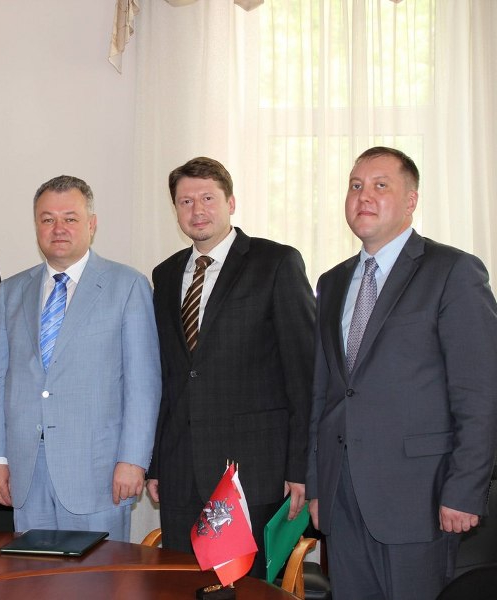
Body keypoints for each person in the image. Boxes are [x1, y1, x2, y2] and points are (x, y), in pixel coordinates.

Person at [306, 146, 497, 599]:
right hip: (342, 494)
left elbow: (480, 392)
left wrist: (465, 490)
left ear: (411, 200)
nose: (363, 196)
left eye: (380, 185)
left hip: (421, 497)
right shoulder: (332, 282)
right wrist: (316, 483)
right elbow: (324, 392)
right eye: (355, 186)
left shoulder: (452, 271)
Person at [147, 157, 315, 577]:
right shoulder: (165, 275)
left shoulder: (275, 263)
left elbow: (304, 373)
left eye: (208, 198)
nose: (197, 210)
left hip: (252, 471)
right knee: (182, 585)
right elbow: (168, 377)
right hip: (181, 470)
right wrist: (157, 464)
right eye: (186, 201)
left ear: (231, 202)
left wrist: (301, 467)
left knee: (244, 587)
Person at [0, 175, 160, 541]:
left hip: (99, 473)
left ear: (91, 225)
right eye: (47, 219)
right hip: (25, 473)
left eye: (70, 218)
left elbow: (143, 385)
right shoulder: (10, 291)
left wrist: (133, 459)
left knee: (97, 573)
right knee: (32, 574)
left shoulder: (128, 286)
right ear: (36, 226)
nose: (58, 228)